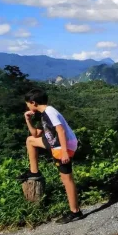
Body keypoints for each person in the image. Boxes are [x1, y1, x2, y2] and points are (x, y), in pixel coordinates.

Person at [17, 88, 83, 224]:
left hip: (63, 145)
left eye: (27, 104)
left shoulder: (49, 112)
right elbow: (35, 134)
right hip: (55, 142)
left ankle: (75, 211)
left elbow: (61, 130)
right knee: (30, 140)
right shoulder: (44, 114)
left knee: (66, 179)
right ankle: (34, 172)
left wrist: (64, 151)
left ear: (33, 102)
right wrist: (28, 120)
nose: (27, 107)